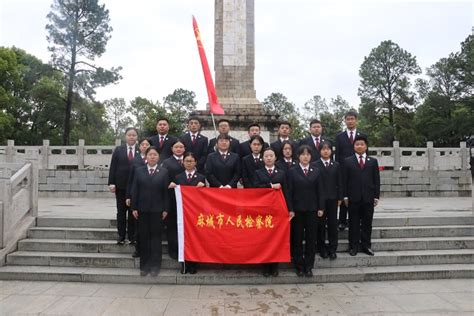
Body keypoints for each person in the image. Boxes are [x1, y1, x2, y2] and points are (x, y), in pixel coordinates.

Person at [130, 146, 170, 276]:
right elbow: (135, 189)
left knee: (155, 239)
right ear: (146, 157)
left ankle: (155, 266)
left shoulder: (163, 172)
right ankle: (144, 266)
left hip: (158, 211)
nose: (152, 157)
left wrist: (165, 209)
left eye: (155, 154)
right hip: (142, 209)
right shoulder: (139, 171)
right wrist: (134, 207)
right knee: (144, 238)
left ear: (159, 157)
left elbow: (166, 192)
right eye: (150, 154)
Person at [287, 145, 325, 277]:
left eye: (308, 154)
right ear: (298, 156)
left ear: (311, 156)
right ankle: (298, 265)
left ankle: (309, 266)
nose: (305, 157)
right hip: (297, 211)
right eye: (302, 154)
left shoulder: (317, 170)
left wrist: (321, 207)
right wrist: (290, 209)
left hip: (312, 210)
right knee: (297, 239)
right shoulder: (292, 171)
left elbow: (321, 190)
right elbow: (289, 192)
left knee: (311, 239)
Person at [254, 147, 290, 277]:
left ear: (275, 158)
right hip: (262, 210)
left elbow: (286, 191)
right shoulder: (258, 172)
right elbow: (255, 188)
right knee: (264, 238)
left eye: (271, 156)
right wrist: (270, 186)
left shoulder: (281, 173)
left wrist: (290, 209)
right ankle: (265, 266)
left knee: (276, 238)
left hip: (278, 210)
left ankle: (274, 266)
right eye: (266, 156)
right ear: (263, 159)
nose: (269, 158)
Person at [343, 135, 380, 257]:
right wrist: (345, 196)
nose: (359, 146)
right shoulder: (347, 161)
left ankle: (366, 246)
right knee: (353, 223)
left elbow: (376, 180)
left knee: (367, 223)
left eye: (362, 144)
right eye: (357, 144)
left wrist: (376, 196)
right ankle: (353, 246)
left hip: (368, 198)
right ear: (354, 146)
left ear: (366, 146)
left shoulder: (373, 161)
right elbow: (345, 180)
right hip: (353, 198)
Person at [169, 152, 206, 274]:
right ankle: (184, 264)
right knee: (182, 239)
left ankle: (193, 265)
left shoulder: (201, 177)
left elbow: (205, 197)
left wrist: (203, 187)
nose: (189, 163)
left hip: (195, 214)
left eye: (191, 161)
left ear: (195, 162)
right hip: (182, 214)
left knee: (194, 239)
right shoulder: (178, 177)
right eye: (186, 161)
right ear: (183, 163)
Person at [335, 111, 367, 232]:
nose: (350, 121)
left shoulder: (362, 135)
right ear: (345, 121)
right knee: (344, 194)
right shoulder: (340, 136)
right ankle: (342, 221)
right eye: (348, 119)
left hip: (358, 170)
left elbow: (365, 153)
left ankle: (357, 220)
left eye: (352, 119)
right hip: (344, 170)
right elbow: (337, 155)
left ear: (356, 120)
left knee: (358, 194)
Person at [108, 127, 139, 245]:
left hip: (135, 188)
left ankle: (132, 236)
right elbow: (113, 167)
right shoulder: (119, 150)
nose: (132, 137)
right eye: (129, 135)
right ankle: (121, 236)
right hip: (120, 186)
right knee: (121, 212)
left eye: (134, 135)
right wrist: (111, 183)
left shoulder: (140, 151)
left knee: (133, 213)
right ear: (125, 137)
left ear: (137, 137)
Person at [312, 141, 342, 260]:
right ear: (319, 151)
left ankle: (332, 249)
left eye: (328, 149)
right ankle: (322, 248)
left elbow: (340, 182)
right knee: (320, 225)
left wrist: (340, 197)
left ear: (331, 151)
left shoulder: (336, 165)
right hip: (319, 200)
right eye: (323, 149)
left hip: (333, 199)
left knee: (332, 224)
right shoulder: (314, 165)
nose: (325, 151)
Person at [160, 139, 186, 260]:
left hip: (186, 201)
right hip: (171, 199)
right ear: (172, 149)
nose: (179, 149)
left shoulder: (189, 160)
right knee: (172, 226)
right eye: (176, 147)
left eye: (181, 147)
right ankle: (173, 250)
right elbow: (162, 178)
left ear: (184, 149)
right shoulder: (166, 162)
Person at [125, 137, 151, 258]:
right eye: (143, 145)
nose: (145, 146)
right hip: (138, 197)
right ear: (139, 147)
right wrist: (128, 196)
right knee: (138, 226)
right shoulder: (135, 161)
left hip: (152, 198)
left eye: (147, 144)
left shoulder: (154, 159)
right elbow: (130, 180)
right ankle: (138, 249)